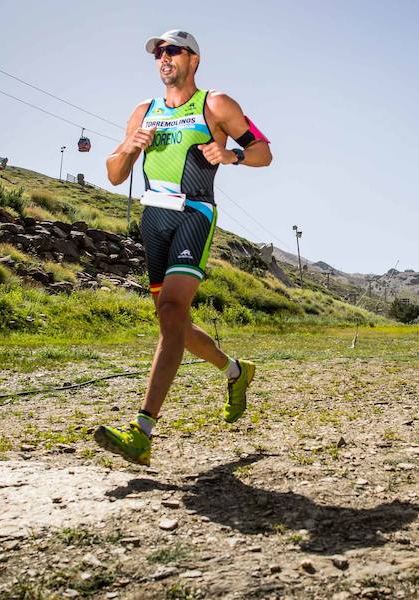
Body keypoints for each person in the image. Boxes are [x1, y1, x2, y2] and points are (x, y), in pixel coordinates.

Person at [95, 30, 273, 466]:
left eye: (172, 50)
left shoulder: (216, 104)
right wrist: (131, 149)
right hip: (153, 217)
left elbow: (263, 152)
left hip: (194, 213)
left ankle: (141, 431)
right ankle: (235, 371)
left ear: (194, 59)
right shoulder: (144, 111)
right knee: (172, 323)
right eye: (159, 52)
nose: (163, 57)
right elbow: (114, 174)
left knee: (173, 313)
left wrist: (229, 156)